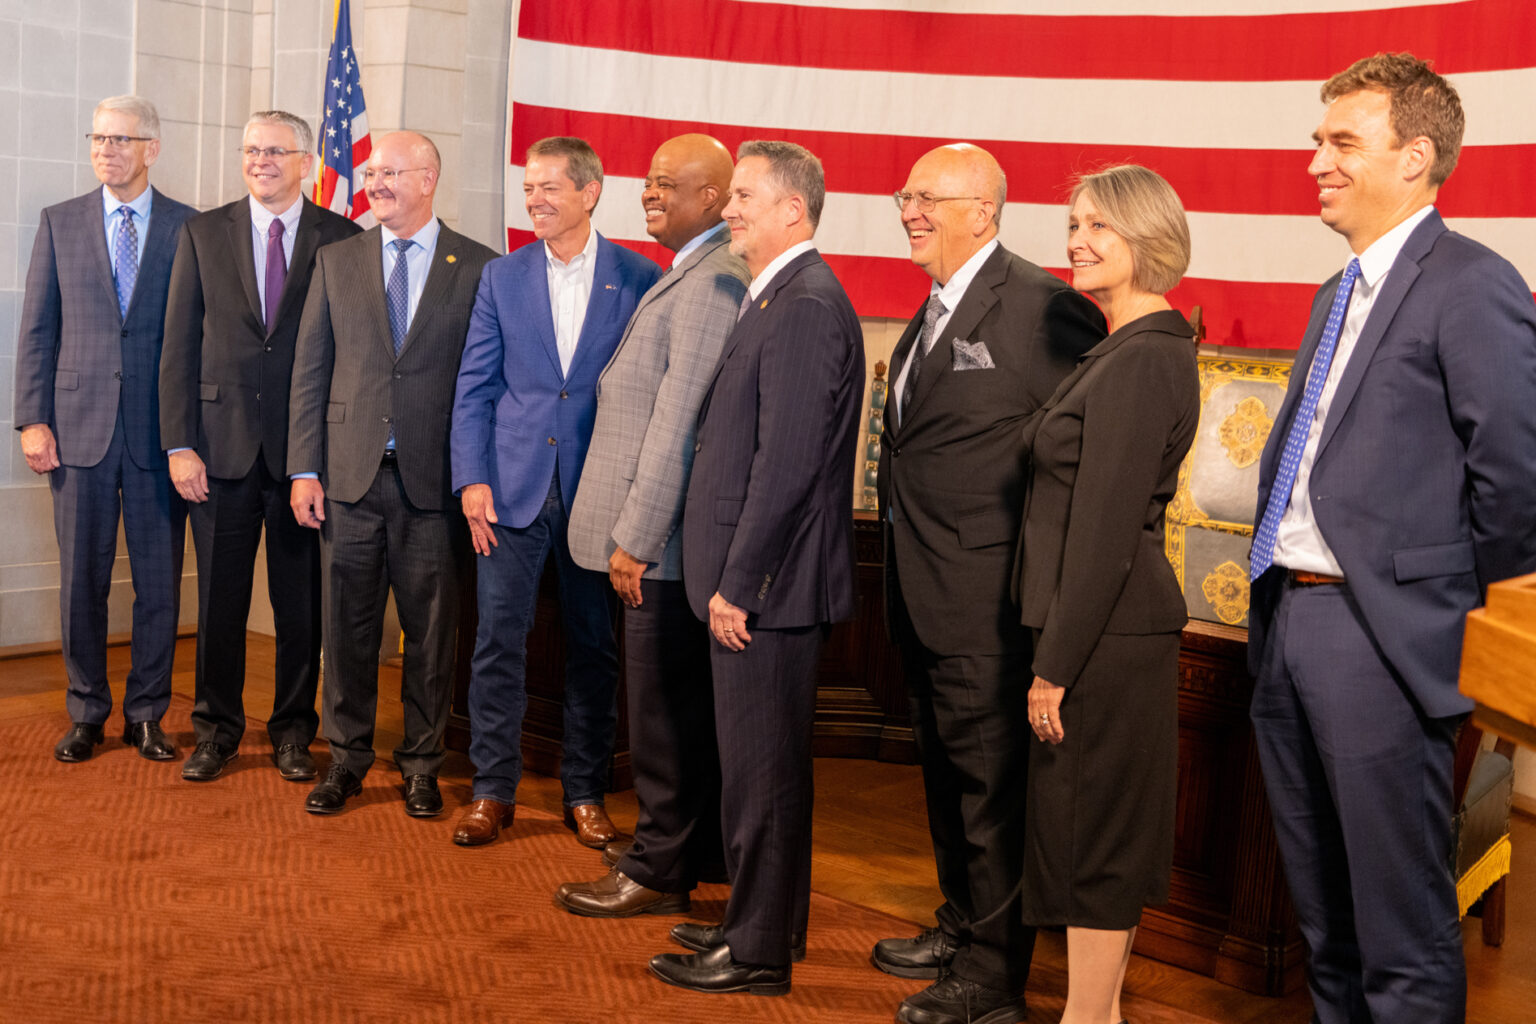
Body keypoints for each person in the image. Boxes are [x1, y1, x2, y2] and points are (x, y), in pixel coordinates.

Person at [1247, 53, 1536, 1024]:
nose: (1316, 161)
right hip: (1287, 621)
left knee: (1400, 940)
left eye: (1341, 141)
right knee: (1325, 926)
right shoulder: (1336, 295)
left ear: (1415, 157)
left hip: (1382, 641)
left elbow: (1517, 482)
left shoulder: (1473, 284)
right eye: (1316, 140)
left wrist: (1448, 628)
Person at [874, 143, 1104, 1024]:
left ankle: (993, 977)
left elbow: (1078, 459)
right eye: (905, 195)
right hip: (919, 591)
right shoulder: (933, 306)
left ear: (984, 209)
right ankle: (961, 925)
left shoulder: (1046, 309)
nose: (908, 210)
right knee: (946, 781)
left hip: (989, 603)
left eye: (926, 197)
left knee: (990, 795)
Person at [648, 140, 863, 997]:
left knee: (762, 775)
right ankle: (764, 921)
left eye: (744, 197)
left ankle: (759, 953)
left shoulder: (806, 304)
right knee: (759, 771)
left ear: (793, 211)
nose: (730, 210)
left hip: (764, 594)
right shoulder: (776, 293)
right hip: (755, 586)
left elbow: (787, 466)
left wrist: (742, 583)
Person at [1015, 164, 1199, 1024]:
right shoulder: (1121, 347)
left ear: (1147, 239)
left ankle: (1086, 1019)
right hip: (1101, 633)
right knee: (1088, 836)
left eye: (1099, 227)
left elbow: (1104, 533)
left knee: (1096, 843)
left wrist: (1054, 666)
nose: (1077, 240)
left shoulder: (1143, 357)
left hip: (1105, 641)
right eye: (1075, 223)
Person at [555, 134, 747, 915]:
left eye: (668, 184)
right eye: (648, 181)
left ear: (712, 197)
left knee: (663, 724)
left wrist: (636, 537)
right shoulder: (691, 271)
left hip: (660, 549)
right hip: (657, 541)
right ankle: (686, 857)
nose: (648, 193)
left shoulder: (711, 281)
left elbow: (678, 425)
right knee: (672, 713)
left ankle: (657, 870)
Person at [450, 137, 661, 849]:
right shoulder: (501, 277)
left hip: (597, 497)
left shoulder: (639, 277)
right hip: (508, 494)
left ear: (591, 191)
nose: (534, 200)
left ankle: (584, 791)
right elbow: (475, 387)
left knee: (593, 651)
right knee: (496, 644)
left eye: (549, 188)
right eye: (528, 188)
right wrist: (471, 479)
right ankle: (491, 790)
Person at [286, 132, 496, 817]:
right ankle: (345, 759)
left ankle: (422, 764)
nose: (374, 182)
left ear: (430, 177)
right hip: (346, 478)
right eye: (371, 172)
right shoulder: (336, 259)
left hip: (434, 484)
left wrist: (475, 477)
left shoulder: (478, 268)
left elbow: (485, 385)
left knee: (430, 634)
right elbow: (311, 371)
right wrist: (304, 468)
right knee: (345, 628)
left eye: (390, 172)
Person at [159, 111, 362, 783]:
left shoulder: (343, 238)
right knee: (220, 600)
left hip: (306, 458)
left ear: (306, 161)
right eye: (251, 150)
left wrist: (328, 455)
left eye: (275, 151)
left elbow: (349, 356)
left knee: (300, 601)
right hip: (217, 453)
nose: (260, 161)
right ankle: (215, 729)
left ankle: (293, 732)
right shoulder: (202, 232)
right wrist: (179, 444)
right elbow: (178, 346)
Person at [13, 96, 195, 764]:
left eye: (122, 138)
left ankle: (148, 714)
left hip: (158, 438)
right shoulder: (59, 223)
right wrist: (32, 418)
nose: (107, 149)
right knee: (80, 580)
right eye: (98, 137)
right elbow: (38, 328)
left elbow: (196, 340)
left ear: (152, 146)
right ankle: (87, 710)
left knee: (158, 583)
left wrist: (189, 436)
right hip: (76, 430)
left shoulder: (189, 228)